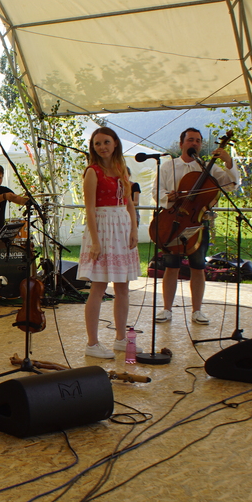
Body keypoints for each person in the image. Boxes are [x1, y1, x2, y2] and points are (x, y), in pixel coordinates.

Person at [153, 127, 239, 325]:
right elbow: (157, 191)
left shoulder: (208, 168)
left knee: (198, 267)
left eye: (198, 141)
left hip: (197, 222)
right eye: (190, 140)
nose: (195, 143)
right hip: (173, 221)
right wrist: (168, 197)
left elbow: (232, 185)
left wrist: (228, 161)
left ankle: (197, 311)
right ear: (181, 143)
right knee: (171, 266)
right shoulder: (168, 166)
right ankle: (166, 309)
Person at [77, 127, 140, 359]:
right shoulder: (92, 172)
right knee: (99, 287)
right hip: (103, 227)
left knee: (123, 286)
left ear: (115, 143)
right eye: (97, 143)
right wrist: (95, 242)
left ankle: (121, 338)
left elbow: (129, 202)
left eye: (106, 142)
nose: (102, 147)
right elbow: (90, 209)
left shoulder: (121, 168)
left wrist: (134, 229)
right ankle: (92, 343)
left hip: (121, 225)